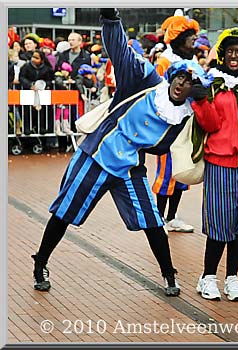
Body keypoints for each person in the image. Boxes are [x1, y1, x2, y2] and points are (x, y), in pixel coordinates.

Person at [31, 8, 207, 298]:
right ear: (172, 76)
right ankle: (41, 261)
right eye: (180, 78)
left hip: (129, 167)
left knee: (152, 220)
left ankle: (168, 274)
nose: (182, 85)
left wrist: (203, 104)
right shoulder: (145, 81)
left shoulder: (182, 117)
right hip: (97, 156)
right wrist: (111, 19)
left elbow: (162, 147)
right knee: (64, 212)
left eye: (190, 83)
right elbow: (120, 52)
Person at [189, 28, 238, 301]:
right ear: (223, 55)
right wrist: (200, 100)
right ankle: (208, 277)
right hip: (220, 162)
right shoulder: (214, 85)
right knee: (220, 226)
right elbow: (209, 124)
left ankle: (232, 277)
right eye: (230, 51)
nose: (234, 56)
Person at [151, 14, 200, 233]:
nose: (194, 42)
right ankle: (159, 217)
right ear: (180, 39)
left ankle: (172, 217)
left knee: (181, 170)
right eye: (191, 38)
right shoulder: (164, 62)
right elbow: (156, 92)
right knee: (166, 172)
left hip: (187, 124)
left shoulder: (193, 62)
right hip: (168, 125)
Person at [53, 62, 75, 136]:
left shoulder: (67, 78)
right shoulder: (58, 76)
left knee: (66, 113)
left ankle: (66, 127)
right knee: (58, 113)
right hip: (59, 98)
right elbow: (58, 82)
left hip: (65, 99)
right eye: (65, 71)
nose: (66, 73)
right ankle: (57, 128)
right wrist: (65, 85)